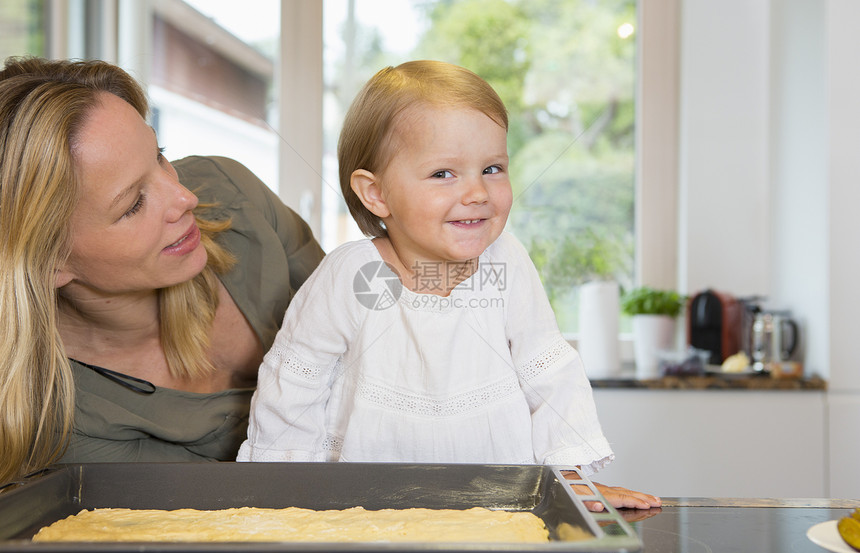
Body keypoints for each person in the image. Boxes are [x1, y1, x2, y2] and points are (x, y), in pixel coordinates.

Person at [238, 60, 659, 510]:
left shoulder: (508, 263)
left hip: (504, 509)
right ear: (375, 194)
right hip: (367, 514)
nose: (478, 192)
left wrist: (568, 476)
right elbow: (294, 387)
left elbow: (550, 374)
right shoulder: (349, 276)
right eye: (444, 174)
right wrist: (283, 492)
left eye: (493, 168)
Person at [0, 57, 325, 486]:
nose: (186, 198)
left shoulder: (229, 192)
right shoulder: (59, 431)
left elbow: (378, 329)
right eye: (133, 204)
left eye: (160, 156)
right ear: (49, 262)